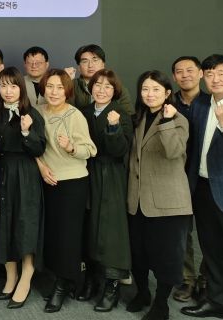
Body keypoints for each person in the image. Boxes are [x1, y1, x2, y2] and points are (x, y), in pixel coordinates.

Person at [182, 55, 223, 320]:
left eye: (221, 73)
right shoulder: (199, 104)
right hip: (202, 188)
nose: (215, 79)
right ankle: (217, 303)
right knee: (212, 252)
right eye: (209, 74)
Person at [127, 70, 191, 320]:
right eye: (145, 89)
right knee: (138, 253)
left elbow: (174, 151)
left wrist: (166, 121)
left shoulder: (178, 120)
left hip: (168, 202)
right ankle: (142, 293)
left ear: (167, 93)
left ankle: (161, 304)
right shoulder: (138, 118)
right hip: (137, 200)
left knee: (166, 256)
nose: (149, 94)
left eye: (156, 89)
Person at [36, 69, 97, 313]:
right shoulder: (37, 112)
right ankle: (61, 278)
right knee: (52, 234)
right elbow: (31, 147)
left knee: (68, 236)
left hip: (72, 182)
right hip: (47, 181)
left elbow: (89, 149)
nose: (54, 92)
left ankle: (63, 285)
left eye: (60, 87)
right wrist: (41, 167)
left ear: (67, 91)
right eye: (50, 86)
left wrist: (71, 147)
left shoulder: (75, 115)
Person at [0, 67, 46, 309]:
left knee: (25, 224)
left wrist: (26, 131)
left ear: (21, 89)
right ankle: (10, 277)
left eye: (13, 86)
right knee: (4, 224)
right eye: (3, 86)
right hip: (1, 173)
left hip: (25, 174)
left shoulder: (31, 113)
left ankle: (26, 278)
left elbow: (39, 148)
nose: (8, 91)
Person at [78, 69, 133, 312]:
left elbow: (120, 150)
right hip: (86, 172)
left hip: (110, 175)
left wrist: (113, 127)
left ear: (115, 91)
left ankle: (112, 286)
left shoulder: (120, 113)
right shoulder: (84, 112)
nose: (101, 90)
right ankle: (92, 279)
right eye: (98, 85)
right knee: (88, 226)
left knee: (111, 231)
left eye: (108, 86)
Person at [171, 56, 207, 303]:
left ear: (201, 73)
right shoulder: (168, 102)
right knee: (181, 233)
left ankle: (206, 279)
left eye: (190, 70)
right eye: (179, 72)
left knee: (209, 233)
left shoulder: (211, 103)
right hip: (176, 177)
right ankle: (187, 279)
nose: (185, 75)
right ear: (174, 77)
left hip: (204, 177)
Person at [67, 44, 134, 115]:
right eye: (85, 61)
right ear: (79, 67)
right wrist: (65, 81)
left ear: (103, 64)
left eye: (95, 60)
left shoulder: (117, 87)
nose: (90, 65)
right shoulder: (71, 86)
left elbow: (129, 115)